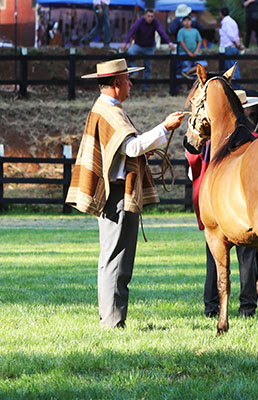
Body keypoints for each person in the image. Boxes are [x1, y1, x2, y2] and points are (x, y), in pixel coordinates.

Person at [66, 59, 185, 328]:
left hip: (116, 195)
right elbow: (131, 149)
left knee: (113, 258)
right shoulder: (110, 112)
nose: (131, 84)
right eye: (128, 80)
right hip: (117, 195)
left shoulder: (108, 109)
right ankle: (112, 321)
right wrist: (165, 127)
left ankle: (110, 318)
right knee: (116, 260)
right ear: (117, 83)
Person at [185, 90, 258, 318]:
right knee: (248, 257)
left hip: (214, 205)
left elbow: (193, 170)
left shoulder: (209, 143)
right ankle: (247, 308)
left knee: (214, 258)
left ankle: (212, 306)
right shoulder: (256, 141)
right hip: (244, 207)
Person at [121, 9, 175, 86]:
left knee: (148, 66)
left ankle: (145, 86)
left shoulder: (155, 22)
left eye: (152, 16)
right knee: (130, 54)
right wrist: (125, 42)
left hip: (149, 47)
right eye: (148, 16)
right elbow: (132, 30)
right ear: (145, 16)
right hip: (138, 45)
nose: (150, 18)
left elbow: (161, 32)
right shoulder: (140, 21)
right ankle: (135, 72)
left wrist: (169, 42)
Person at [219, 7, 242, 86]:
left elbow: (231, 35)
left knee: (232, 70)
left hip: (228, 48)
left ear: (221, 13)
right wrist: (238, 44)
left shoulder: (225, 22)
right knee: (229, 69)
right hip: (232, 47)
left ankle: (237, 88)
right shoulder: (232, 21)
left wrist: (237, 44)